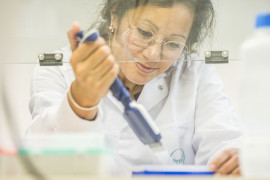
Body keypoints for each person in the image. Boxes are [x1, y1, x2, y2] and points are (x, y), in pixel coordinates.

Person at [27, 0, 242, 175]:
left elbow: (223, 140)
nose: (153, 55)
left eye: (173, 44)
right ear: (114, 15)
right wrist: (80, 100)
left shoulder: (195, 73)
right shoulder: (58, 69)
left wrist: (234, 160)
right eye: (144, 33)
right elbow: (41, 156)